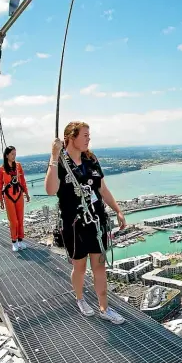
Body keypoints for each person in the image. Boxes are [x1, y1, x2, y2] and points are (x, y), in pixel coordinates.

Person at [45, 121, 127, 324]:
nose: (88, 138)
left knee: (99, 267)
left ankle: (104, 308)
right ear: (71, 138)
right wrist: (54, 156)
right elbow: (50, 189)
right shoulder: (61, 163)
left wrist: (117, 210)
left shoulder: (91, 160)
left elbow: (102, 189)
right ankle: (80, 298)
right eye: (85, 135)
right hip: (73, 225)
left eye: (88, 135)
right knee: (79, 267)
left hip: (95, 221)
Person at [0, 146, 30, 252]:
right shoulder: (2, 169)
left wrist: (26, 193)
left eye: (15, 154)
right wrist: (1, 201)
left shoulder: (18, 166)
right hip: (9, 196)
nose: (14, 156)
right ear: (6, 155)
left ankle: (21, 240)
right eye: (12, 154)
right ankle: (14, 241)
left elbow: (23, 180)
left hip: (19, 195)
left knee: (20, 219)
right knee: (13, 220)